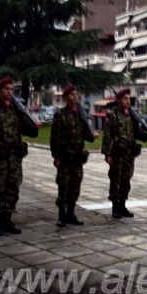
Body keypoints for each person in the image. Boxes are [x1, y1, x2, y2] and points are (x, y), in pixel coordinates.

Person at [0, 76, 39, 236]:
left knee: (13, 188)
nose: (9, 92)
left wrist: (35, 125)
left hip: (14, 157)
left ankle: (8, 219)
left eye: (12, 89)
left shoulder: (16, 110)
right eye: (6, 89)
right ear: (0, 90)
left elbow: (29, 131)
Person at [50, 84, 96, 227]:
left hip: (77, 158)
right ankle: (61, 215)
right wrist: (56, 157)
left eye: (76, 94)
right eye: (72, 94)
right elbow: (54, 138)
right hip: (64, 158)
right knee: (63, 187)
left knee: (75, 187)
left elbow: (88, 136)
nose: (75, 97)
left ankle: (71, 213)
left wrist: (92, 133)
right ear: (65, 97)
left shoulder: (80, 114)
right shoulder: (60, 114)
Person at [102, 89, 147, 219]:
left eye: (129, 99)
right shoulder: (113, 115)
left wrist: (146, 134)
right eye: (125, 99)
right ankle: (115, 207)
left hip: (129, 154)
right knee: (115, 179)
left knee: (126, 180)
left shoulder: (131, 116)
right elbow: (107, 135)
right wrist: (107, 154)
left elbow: (137, 133)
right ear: (119, 100)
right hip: (117, 153)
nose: (128, 101)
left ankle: (122, 205)